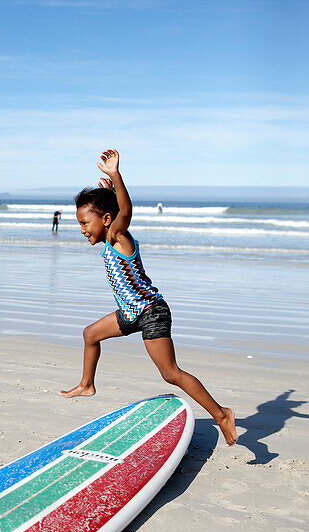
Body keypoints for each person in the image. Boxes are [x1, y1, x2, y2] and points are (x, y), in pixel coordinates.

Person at [60, 149, 236, 446]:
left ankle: (221, 414)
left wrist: (116, 177)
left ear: (105, 220)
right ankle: (87, 384)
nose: (81, 230)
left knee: (170, 373)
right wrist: (111, 194)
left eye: (84, 223)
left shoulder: (118, 236)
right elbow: (117, 209)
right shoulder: (109, 236)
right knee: (90, 334)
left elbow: (124, 212)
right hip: (130, 312)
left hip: (151, 312)